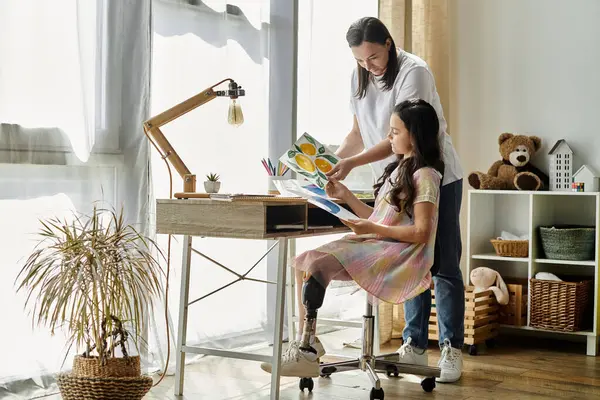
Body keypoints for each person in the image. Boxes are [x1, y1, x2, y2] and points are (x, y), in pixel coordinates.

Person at [261, 98, 444, 378]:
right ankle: (307, 344)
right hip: (379, 242)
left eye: (395, 132)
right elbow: (379, 218)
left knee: (318, 264)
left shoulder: (426, 176)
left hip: (400, 253)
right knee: (305, 262)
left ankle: (306, 351)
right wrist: (346, 196)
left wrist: (372, 230)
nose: (388, 138)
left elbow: (421, 233)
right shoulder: (398, 169)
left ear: (415, 135)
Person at [329, 16, 465, 383]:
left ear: (388, 43)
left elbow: (400, 138)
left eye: (372, 57)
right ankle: (415, 345)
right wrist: (328, 165)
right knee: (409, 261)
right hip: (394, 181)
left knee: (443, 263)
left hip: (435, 176)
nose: (367, 66)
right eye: (359, 60)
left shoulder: (413, 72)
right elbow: (358, 131)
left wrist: (352, 163)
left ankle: (452, 347)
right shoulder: (360, 75)